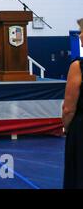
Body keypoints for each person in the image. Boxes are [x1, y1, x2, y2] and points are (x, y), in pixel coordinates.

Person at [62, 18, 83, 189]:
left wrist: (67, 127)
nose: (80, 35)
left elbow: (68, 108)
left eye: (82, 31)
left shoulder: (78, 67)